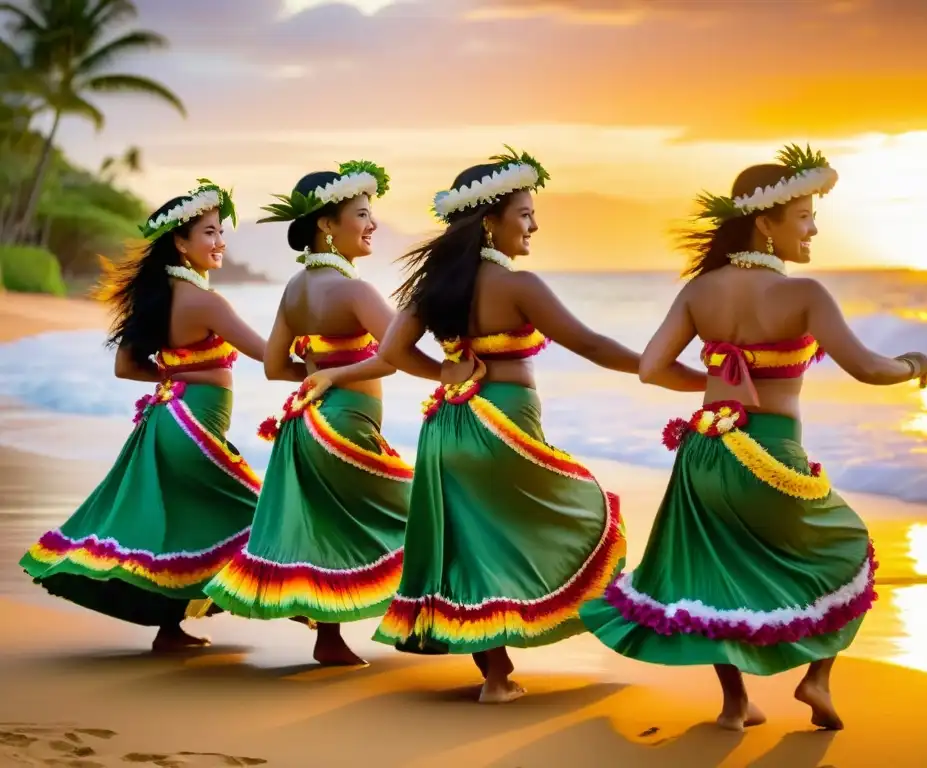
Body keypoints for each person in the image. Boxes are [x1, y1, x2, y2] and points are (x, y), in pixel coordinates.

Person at [580, 145, 927, 731]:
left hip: (704, 453)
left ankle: (736, 704)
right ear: (765, 224)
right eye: (803, 218)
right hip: (772, 456)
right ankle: (816, 679)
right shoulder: (805, 295)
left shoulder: (700, 291)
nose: (813, 229)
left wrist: (718, 383)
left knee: (717, 575)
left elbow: (650, 368)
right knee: (846, 549)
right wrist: (913, 364)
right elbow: (867, 368)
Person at [371, 147, 705, 703]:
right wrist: (675, 374)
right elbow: (593, 345)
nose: (533, 224)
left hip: (448, 427)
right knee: (583, 511)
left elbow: (391, 349)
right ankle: (597, 617)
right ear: (489, 221)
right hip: (503, 427)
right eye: (524, 213)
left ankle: (496, 678)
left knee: (470, 548)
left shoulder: (435, 287)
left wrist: (446, 373)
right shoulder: (520, 286)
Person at [203, 162, 439, 665]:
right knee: (421, 517)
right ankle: (429, 621)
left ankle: (330, 640)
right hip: (348, 425)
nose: (372, 224)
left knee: (329, 530)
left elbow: (272, 366)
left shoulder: (294, 290)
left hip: (306, 426)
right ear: (327, 226)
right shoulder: (355, 291)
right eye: (361, 214)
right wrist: (447, 371)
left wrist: (317, 374)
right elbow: (398, 354)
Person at [20, 181, 266, 652]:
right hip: (193, 428)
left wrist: (175, 376)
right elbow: (263, 353)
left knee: (176, 525)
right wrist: (329, 360)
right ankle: (307, 605)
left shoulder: (157, 298)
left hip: (167, 420)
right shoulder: (207, 302)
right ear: (180, 241)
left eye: (220, 233)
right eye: (210, 232)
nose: (220, 242)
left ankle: (170, 629)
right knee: (262, 514)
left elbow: (126, 366)